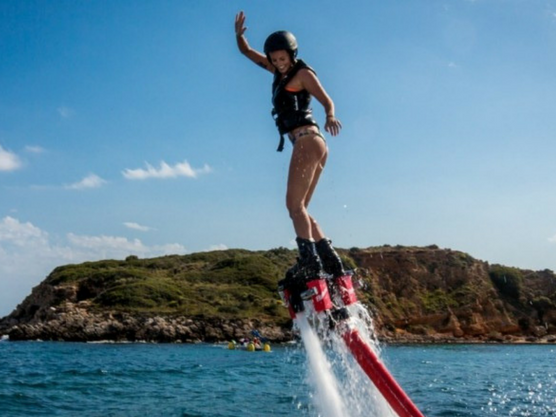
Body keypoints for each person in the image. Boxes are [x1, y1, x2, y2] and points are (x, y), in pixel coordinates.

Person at [235, 11, 345, 281]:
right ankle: (332, 264)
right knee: (302, 210)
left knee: (293, 206)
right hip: (312, 144)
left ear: (292, 55)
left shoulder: (302, 73)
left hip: (307, 141)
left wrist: (330, 115)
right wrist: (239, 37)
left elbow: (326, 100)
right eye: (274, 60)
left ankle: (310, 262)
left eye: (282, 59)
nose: (278, 64)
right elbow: (247, 53)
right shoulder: (277, 72)